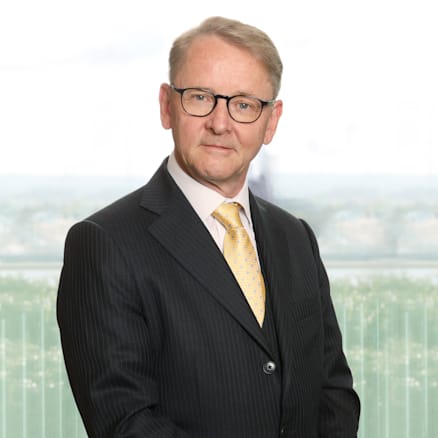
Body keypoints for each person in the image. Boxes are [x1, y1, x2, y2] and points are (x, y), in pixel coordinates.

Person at [57, 16, 360, 438]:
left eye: (244, 104)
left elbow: (333, 393)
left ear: (270, 121)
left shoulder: (295, 238)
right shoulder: (104, 244)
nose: (221, 123)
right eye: (200, 97)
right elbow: (124, 421)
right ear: (166, 105)